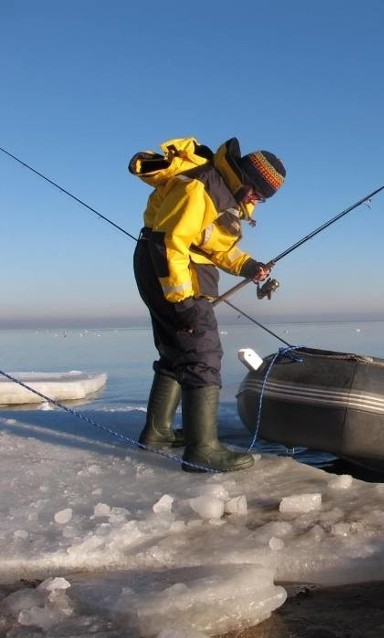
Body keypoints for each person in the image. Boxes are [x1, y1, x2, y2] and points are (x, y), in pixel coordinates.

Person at [129, 137, 286, 472]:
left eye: (264, 197)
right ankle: (203, 449)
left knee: (177, 349)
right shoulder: (201, 188)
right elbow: (169, 243)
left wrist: (247, 266)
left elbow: (212, 245)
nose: (258, 200)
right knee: (203, 351)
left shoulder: (221, 193)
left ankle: (156, 432)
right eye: (258, 191)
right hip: (176, 272)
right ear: (245, 179)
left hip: (173, 268)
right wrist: (182, 301)